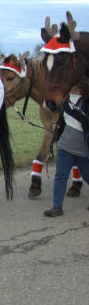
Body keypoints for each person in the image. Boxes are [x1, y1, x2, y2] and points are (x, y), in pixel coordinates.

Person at [44, 80, 89, 217]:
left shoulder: (86, 102)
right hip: (65, 147)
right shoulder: (65, 102)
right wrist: (56, 125)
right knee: (60, 176)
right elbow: (62, 121)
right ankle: (57, 206)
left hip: (83, 150)